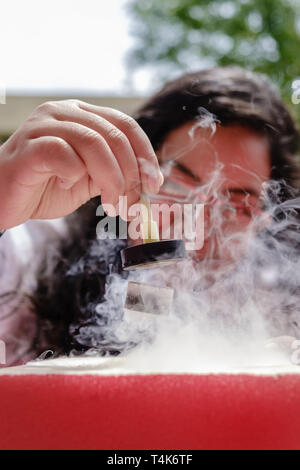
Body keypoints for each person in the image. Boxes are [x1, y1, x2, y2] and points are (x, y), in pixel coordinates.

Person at [0, 66, 299, 366]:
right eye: (174, 185)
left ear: (267, 218)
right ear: (130, 174)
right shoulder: (36, 252)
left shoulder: (272, 299)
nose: (196, 226)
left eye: (237, 205)